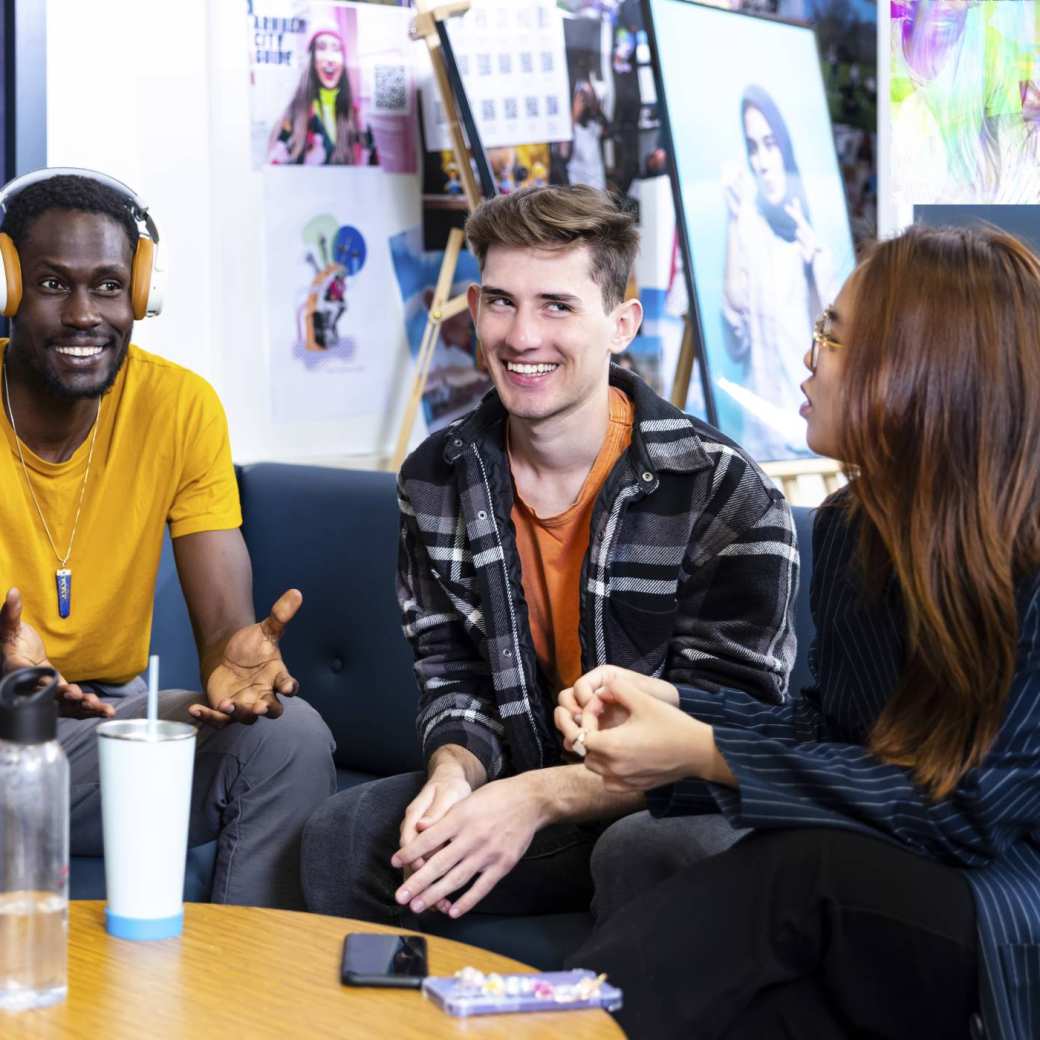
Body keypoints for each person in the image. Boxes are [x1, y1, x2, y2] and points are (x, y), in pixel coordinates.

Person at [557, 223, 1040, 1039]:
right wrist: (678, 709)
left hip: (1006, 899)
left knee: (800, 870)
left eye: (836, 339)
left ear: (926, 372)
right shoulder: (857, 526)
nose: (809, 358)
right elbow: (833, 727)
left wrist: (705, 752)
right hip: (899, 888)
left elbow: (975, 814)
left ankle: (540, 1025)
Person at [301, 185, 798, 932]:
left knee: (644, 852)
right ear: (473, 309)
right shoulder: (435, 478)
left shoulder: (724, 488)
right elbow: (454, 676)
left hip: (672, 806)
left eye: (557, 306)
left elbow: (732, 731)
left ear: (621, 323)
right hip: (531, 793)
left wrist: (535, 800)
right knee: (345, 840)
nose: (522, 335)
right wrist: (453, 776)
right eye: (501, 303)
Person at [0, 171, 336, 909]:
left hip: (105, 725)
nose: (85, 313)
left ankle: (237, 994)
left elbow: (223, 626)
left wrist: (230, 662)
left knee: (289, 740)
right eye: (54, 284)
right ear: (8, 288)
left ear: (141, 297)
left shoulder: (178, 407)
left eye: (110, 286)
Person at [722, 84, 837, 460]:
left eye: (770, 143)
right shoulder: (747, 225)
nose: (762, 161)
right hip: (757, 443)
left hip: (808, 441)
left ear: (784, 147)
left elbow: (833, 348)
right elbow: (734, 336)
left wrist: (816, 264)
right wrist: (734, 224)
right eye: (753, 146)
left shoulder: (811, 239)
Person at [267, 15, 371, 166]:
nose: (330, 57)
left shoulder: (356, 115)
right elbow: (275, 165)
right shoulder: (293, 114)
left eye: (336, 49)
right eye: (321, 48)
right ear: (311, 59)